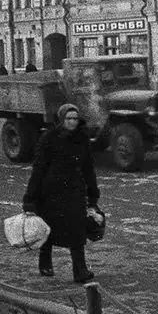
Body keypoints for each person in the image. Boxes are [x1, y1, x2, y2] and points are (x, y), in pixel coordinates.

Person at [23, 103, 101, 283]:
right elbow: (39, 169)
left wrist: (93, 195)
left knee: (77, 231)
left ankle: (80, 271)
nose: (72, 122)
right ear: (61, 119)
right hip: (50, 192)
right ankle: (45, 262)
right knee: (48, 229)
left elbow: (88, 169)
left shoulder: (82, 139)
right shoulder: (49, 138)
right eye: (68, 119)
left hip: (74, 191)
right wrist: (30, 200)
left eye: (75, 118)